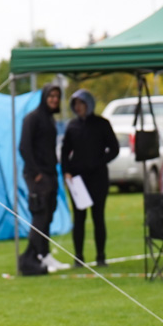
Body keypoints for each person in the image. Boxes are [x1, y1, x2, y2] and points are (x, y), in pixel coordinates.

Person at [61, 89, 119, 267]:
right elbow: (65, 151)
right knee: (79, 218)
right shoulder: (72, 126)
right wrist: (67, 171)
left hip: (98, 178)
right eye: (75, 104)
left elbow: (114, 148)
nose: (78, 108)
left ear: (88, 104)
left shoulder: (102, 124)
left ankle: (101, 255)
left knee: (98, 217)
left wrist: (99, 162)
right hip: (78, 179)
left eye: (81, 104)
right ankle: (78, 256)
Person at [19, 83, 63, 274]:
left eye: (57, 96)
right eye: (51, 96)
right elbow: (24, 147)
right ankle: (30, 256)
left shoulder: (50, 119)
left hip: (51, 172)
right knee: (40, 215)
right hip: (38, 176)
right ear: (44, 97)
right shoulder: (33, 118)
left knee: (49, 216)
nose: (54, 99)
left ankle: (44, 254)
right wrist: (36, 172)